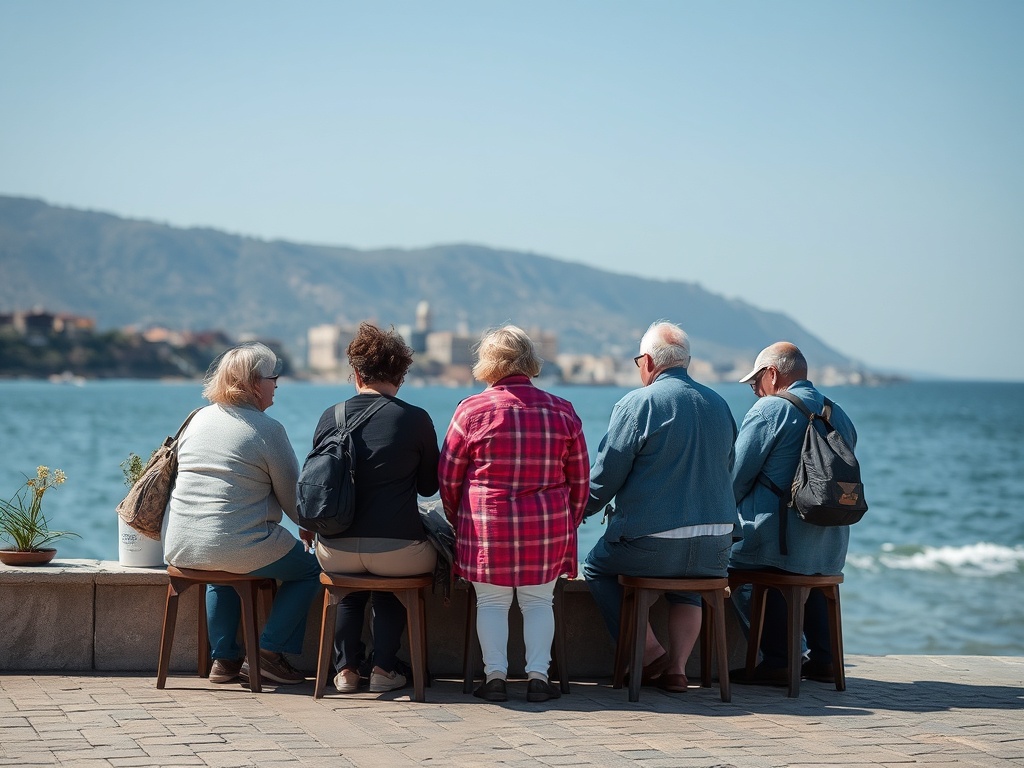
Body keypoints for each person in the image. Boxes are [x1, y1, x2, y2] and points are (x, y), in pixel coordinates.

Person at [581, 321, 737, 693]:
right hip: (715, 550)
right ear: (687, 361)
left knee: (595, 567)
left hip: (651, 549)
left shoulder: (639, 404)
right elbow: (727, 467)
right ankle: (678, 670)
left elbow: (605, 477)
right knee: (687, 584)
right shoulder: (720, 404)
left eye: (639, 360)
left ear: (648, 361)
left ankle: (650, 653)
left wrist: (574, 511)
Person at [440, 325, 589, 703]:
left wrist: (461, 520)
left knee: (491, 603)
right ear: (529, 362)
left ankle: (495, 680)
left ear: (488, 364)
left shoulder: (469, 411)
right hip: (545, 526)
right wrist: (566, 523)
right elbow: (580, 481)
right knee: (539, 602)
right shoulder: (563, 410)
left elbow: (448, 477)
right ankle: (539, 678)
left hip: (487, 526)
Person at [164, 342, 321, 686]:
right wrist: (312, 528)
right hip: (238, 545)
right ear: (253, 384)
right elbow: (294, 502)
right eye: (272, 377)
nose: (277, 384)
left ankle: (224, 659)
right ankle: (268, 653)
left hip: (182, 545)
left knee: (221, 571)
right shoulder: (267, 429)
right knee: (310, 571)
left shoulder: (196, 420)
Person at [312, 323, 440, 695]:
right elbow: (430, 486)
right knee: (392, 581)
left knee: (349, 592)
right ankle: (384, 668)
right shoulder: (414, 418)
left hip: (335, 549)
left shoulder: (330, 416)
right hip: (398, 551)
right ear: (401, 375)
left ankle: (347, 671)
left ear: (356, 373)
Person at [730, 341, 858, 684]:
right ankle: (826, 659)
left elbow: (736, 476)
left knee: (730, 569)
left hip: (779, 543)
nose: (754, 389)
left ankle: (780, 660)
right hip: (831, 545)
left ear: (773, 374)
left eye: (756, 381)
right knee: (811, 576)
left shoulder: (770, 410)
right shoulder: (838, 412)